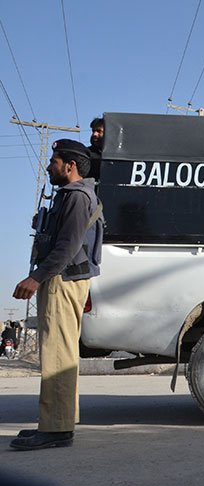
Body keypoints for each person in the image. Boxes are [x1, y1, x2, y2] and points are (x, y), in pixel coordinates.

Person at [10, 139, 104, 451]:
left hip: (62, 280)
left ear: (70, 165)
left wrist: (35, 278)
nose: (50, 167)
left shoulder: (77, 197)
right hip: (63, 279)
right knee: (61, 353)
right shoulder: (73, 195)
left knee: (57, 355)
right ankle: (57, 423)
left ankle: (56, 429)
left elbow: (68, 246)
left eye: (54, 162)